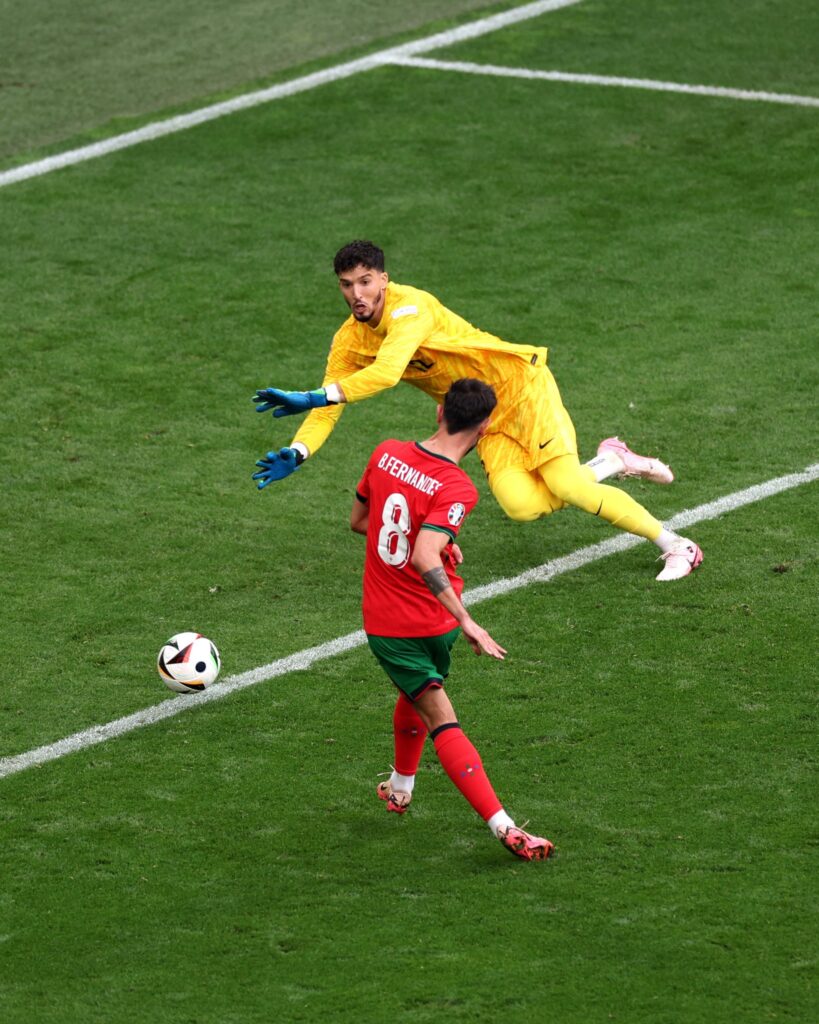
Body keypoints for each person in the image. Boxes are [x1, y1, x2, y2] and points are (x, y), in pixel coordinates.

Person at [252, 240, 703, 582]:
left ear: (384, 279)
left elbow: (387, 374)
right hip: (480, 415)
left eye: (366, 281)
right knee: (521, 507)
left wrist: (313, 396)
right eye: (347, 285)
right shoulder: (349, 341)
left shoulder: (413, 308)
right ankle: (611, 461)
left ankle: (676, 543)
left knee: (565, 483)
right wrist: (299, 451)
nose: (357, 293)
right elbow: (331, 408)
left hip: (520, 386)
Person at [350, 377, 552, 861]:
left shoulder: (385, 453)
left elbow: (362, 523)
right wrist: (466, 619)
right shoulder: (457, 486)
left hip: (392, 624)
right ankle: (473, 814)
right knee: (430, 701)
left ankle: (464, 812)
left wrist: (436, 545)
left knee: (428, 704)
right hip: (433, 624)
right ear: (483, 429)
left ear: (440, 411)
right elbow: (423, 556)